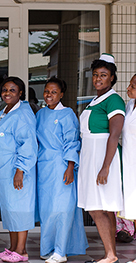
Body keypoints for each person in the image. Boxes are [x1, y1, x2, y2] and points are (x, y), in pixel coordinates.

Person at [78, 53, 125, 263]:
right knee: (102, 207)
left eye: (103, 75)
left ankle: (110, 254)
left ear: (112, 78)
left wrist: (105, 167)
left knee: (99, 207)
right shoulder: (96, 100)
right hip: (91, 156)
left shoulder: (114, 99)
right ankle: (110, 254)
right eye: (95, 75)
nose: (98, 79)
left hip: (103, 157)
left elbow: (114, 135)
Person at [36, 77, 88, 263]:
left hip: (62, 165)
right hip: (44, 167)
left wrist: (70, 166)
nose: (49, 95)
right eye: (47, 91)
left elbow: (72, 142)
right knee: (47, 209)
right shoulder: (40, 114)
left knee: (63, 209)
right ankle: (47, 248)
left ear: (62, 95)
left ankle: (61, 251)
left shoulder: (67, 114)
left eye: (54, 92)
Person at [0, 76, 37, 263]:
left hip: (17, 170)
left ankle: (22, 250)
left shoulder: (23, 114)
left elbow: (28, 144)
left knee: (20, 208)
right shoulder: (1, 114)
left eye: (12, 90)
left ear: (21, 93)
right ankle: (13, 248)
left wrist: (20, 170)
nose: (7, 93)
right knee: (9, 209)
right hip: (2, 170)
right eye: (5, 90)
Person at [119, 74, 136, 250]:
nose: (128, 89)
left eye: (132, 86)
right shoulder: (130, 105)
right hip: (128, 159)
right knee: (131, 201)